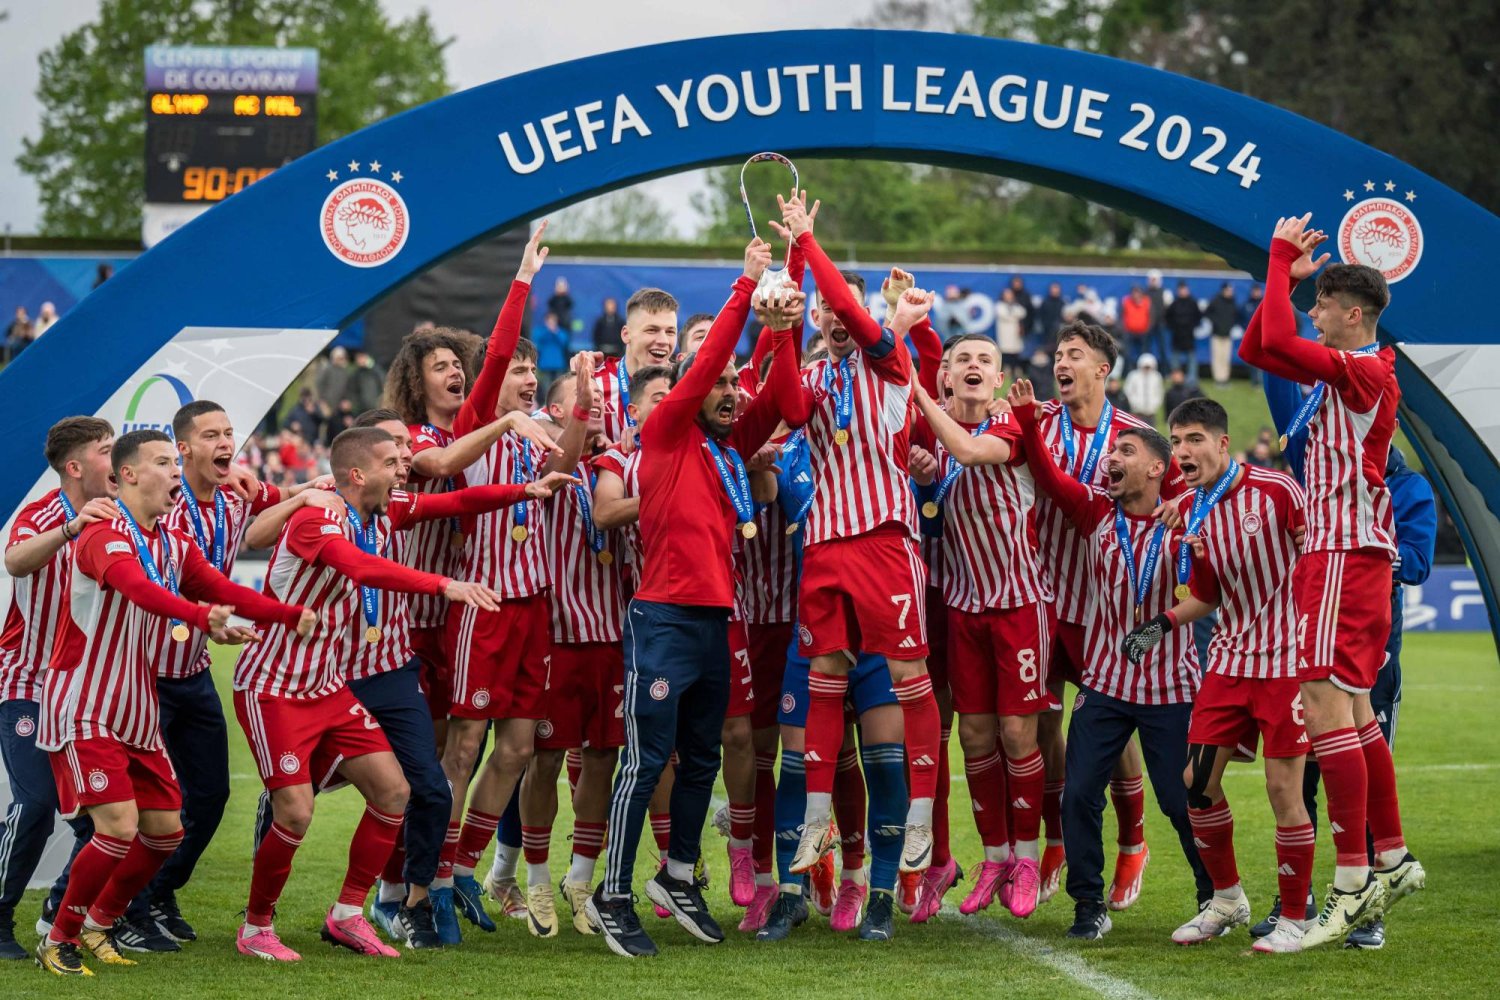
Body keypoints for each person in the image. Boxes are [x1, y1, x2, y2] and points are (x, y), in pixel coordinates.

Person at [585, 239, 795, 958]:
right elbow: (703, 367)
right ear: (687, 390)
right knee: (647, 761)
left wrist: (782, 327)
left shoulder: (725, 448)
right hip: (663, 618)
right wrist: (745, 286)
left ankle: (677, 876)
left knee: (703, 757)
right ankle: (613, 894)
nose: (732, 390)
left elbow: (783, 400)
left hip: (714, 620)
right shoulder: (668, 430)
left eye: (736, 382)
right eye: (720, 381)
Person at [37, 429, 312, 976]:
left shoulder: (172, 539)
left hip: (137, 708)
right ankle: (59, 936)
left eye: (173, 463)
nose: (175, 473)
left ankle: (99, 923)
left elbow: (222, 589)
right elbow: (138, 588)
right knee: (118, 826)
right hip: (85, 703)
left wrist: (290, 614)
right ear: (128, 475)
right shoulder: (103, 532)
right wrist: (198, 615)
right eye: (163, 463)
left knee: (165, 831)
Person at [230, 426, 502, 961]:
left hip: (328, 685)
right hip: (274, 686)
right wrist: (442, 584)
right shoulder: (318, 517)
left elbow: (454, 502)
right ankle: (256, 927)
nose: (404, 470)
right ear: (357, 474)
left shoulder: (371, 516)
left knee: (394, 792)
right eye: (392, 462)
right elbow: (356, 566)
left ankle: (348, 914)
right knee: (296, 813)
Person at [1237, 212, 1422, 948]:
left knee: (1323, 710)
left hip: (1344, 553)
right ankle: (1392, 858)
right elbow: (1259, 346)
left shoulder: (1366, 369)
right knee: (1356, 710)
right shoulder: (1346, 375)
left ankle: (1349, 886)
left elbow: (1279, 343)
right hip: (1347, 554)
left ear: (1353, 315)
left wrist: (1279, 258)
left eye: (1322, 305)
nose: (1312, 314)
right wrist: (1282, 284)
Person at [769, 192, 944, 898]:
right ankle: (816, 820)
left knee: (907, 674)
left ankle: (922, 818)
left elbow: (846, 299)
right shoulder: (813, 377)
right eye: (822, 312)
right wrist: (781, 321)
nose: (835, 317)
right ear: (814, 319)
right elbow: (786, 405)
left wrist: (807, 244)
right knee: (824, 673)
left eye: (843, 310)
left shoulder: (889, 360)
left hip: (884, 540)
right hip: (823, 545)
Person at [109, 402, 327, 952]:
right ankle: (127, 910)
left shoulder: (235, 496)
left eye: (229, 433)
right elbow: (161, 579)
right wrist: (211, 617)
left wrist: (311, 490)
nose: (225, 442)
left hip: (193, 670)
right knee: (148, 803)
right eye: (211, 435)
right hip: (146, 675)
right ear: (182, 450)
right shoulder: (162, 504)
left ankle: (160, 892)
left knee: (209, 796)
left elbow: (279, 500)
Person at [1009, 383, 1211, 941]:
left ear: (1156, 469)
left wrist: (1190, 503)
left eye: (1126, 451)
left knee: (1180, 800)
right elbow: (1049, 477)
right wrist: (1026, 422)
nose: (1111, 459)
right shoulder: (1096, 510)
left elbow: (1216, 577)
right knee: (1078, 793)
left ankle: (1213, 894)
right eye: (1111, 450)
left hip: (1171, 688)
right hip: (1104, 684)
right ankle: (1088, 904)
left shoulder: (1189, 522)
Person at [436, 241, 591, 944]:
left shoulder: (535, 441)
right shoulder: (473, 431)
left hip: (536, 611)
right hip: (485, 606)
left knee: (520, 747)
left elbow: (569, 459)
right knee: (466, 744)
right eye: (518, 371)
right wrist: (524, 279)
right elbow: (495, 353)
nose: (527, 379)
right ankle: (437, 877)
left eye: (533, 371)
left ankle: (466, 868)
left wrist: (581, 404)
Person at [1122, 398, 1313, 952]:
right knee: (1196, 784)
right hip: (1229, 661)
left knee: (1284, 790)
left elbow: (1316, 560)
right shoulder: (1191, 508)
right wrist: (1158, 624)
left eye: (1195, 440)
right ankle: (1227, 900)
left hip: (1285, 662)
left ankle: (1294, 917)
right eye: (1177, 440)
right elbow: (1206, 595)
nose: (1183, 451)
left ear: (1222, 444)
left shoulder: (1277, 490)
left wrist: (1318, 633)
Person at [1027, 321, 1183, 910]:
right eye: (1057, 353)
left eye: (1074, 354)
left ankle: (1133, 843)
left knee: (1115, 737)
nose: (1060, 362)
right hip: (1041, 599)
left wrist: (1179, 506)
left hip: (1107, 611)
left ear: (1102, 369)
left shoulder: (1135, 437)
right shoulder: (1038, 421)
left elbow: (1182, 487)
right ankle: (1057, 840)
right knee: (1044, 727)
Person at [910, 335, 1052, 921]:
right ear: (947, 376)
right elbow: (929, 507)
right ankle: (994, 859)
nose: (973, 366)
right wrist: (922, 479)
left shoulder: (1009, 426)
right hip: (963, 606)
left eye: (984, 361)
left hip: (1019, 603)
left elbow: (969, 451)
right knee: (972, 736)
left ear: (997, 379)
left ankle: (1026, 858)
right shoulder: (933, 443)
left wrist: (916, 392)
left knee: (1018, 735)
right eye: (962, 360)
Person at [0, 417, 116, 960]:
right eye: (106, 450)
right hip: (27, 681)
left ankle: (61, 909)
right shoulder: (44, 514)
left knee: (111, 814)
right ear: (75, 467)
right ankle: (0, 919)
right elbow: (15, 560)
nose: (117, 459)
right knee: (37, 804)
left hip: (84, 689)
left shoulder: (120, 513)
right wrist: (71, 529)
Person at [593, 281, 681, 444]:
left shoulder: (686, 383)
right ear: (626, 335)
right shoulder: (594, 385)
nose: (663, 340)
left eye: (670, 332)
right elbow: (545, 420)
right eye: (652, 330)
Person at [1164, 283, 1202, 386]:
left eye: (1184, 289)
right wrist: (1174, 327)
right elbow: (1167, 317)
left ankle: (1192, 380)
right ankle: (1176, 379)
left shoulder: (1193, 303)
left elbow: (1199, 317)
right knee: (1175, 360)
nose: (1183, 292)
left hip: (1189, 336)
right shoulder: (1174, 304)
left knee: (1191, 359)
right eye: (1181, 290)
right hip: (1177, 336)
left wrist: (1192, 327)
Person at [1205, 284, 1240, 386]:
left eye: (1231, 290)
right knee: (1217, 357)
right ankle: (1218, 379)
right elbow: (1207, 312)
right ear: (1223, 290)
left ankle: (1225, 379)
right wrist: (1215, 323)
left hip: (1227, 334)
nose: (1230, 292)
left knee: (1226, 358)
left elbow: (1236, 316)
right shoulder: (1216, 300)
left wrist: (1230, 325)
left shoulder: (1232, 302)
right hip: (1216, 334)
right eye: (1228, 290)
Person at [995, 288, 1028, 381]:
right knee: (1005, 352)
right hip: (1004, 334)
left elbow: (1023, 313)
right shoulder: (999, 305)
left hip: (1015, 334)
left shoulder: (1016, 305)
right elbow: (1004, 315)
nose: (1008, 296)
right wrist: (1014, 316)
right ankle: (1005, 372)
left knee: (1015, 353)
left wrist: (1013, 311)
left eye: (1010, 294)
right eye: (1006, 294)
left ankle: (1015, 372)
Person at [1123, 353, 1164, 423]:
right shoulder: (1133, 376)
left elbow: (1159, 393)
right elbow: (1128, 392)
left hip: (1151, 413)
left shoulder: (1156, 376)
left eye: (1148, 367)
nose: (1147, 369)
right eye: (1145, 367)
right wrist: (1135, 404)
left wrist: (1154, 405)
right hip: (1137, 413)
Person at [1120, 286, 1154, 371]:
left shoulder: (1147, 301)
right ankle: (1129, 371)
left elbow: (1151, 316)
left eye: (1137, 292)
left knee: (1143, 353)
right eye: (1134, 293)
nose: (1136, 295)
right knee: (1128, 353)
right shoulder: (1126, 301)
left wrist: (1148, 328)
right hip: (1129, 332)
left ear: (1141, 293)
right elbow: (1122, 315)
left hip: (1143, 332)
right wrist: (1124, 328)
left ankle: (1142, 370)